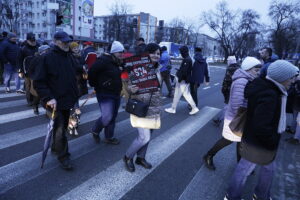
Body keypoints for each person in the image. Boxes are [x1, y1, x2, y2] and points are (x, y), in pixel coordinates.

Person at [224, 60, 299, 200]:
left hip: (257, 139)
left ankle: (260, 195)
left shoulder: (273, 89)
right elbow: (261, 125)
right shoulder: (270, 94)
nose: (293, 81)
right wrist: (271, 141)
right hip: (258, 142)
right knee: (244, 170)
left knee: (267, 169)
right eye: (291, 77)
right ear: (281, 78)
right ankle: (233, 196)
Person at [203, 57, 261, 170]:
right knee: (228, 140)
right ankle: (209, 155)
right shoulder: (242, 81)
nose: (258, 73)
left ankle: (240, 164)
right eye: (256, 70)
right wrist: (242, 119)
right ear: (248, 69)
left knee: (241, 142)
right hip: (236, 118)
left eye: (258, 70)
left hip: (241, 117)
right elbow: (236, 105)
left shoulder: (248, 79)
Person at [33, 31, 78, 170]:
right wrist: (48, 98)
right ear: (56, 41)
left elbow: (72, 76)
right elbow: (39, 82)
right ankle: (64, 156)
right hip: (54, 102)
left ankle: (55, 147)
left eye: (68, 41)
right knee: (60, 130)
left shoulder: (69, 57)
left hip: (67, 100)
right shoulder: (46, 58)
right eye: (63, 41)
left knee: (63, 127)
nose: (66, 43)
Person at [123, 43, 162, 172]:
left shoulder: (158, 68)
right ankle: (128, 157)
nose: (156, 55)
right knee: (144, 137)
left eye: (158, 53)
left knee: (149, 135)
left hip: (153, 107)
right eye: (153, 53)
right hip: (140, 106)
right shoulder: (137, 68)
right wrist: (130, 89)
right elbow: (127, 87)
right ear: (146, 54)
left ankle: (140, 158)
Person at [88, 41, 124, 145]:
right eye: (119, 52)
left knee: (112, 116)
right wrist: (97, 85)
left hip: (116, 92)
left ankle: (109, 137)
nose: (121, 54)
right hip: (104, 93)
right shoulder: (103, 60)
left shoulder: (117, 61)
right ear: (113, 52)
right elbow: (91, 72)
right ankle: (95, 130)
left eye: (122, 52)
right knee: (107, 116)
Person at [165, 46, 199, 115]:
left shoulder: (187, 59)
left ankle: (194, 108)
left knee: (186, 94)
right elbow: (184, 70)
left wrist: (180, 79)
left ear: (184, 52)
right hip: (182, 79)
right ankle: (173, 108)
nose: (180, 53)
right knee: (177, 94)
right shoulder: (187, 59)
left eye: (181, 52)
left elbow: (185, 72)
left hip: (183, 80)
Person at [213, 56, 240, 126]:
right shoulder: (239, 68)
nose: (227, 62)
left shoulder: (230, 69)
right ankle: (221, 119)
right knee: (228, 107)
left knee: (227, 107)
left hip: (229, 91)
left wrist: (224, 90)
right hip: (234, 90)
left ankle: (222, 121)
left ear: (231, 61)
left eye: (228, 60)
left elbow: (227, 81)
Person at [28, 45, 50, 115]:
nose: (49, 52)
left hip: (47, 80)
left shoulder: (49, 58)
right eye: (47, 50)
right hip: (37, 80)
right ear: (42, 51)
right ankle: (35, 107)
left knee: (48, 96)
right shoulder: (35, 59)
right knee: (37, 96)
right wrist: (33, 78)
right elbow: (30, 70)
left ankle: (48, 111)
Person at [18, 32, 39, 106]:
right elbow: (20, 61)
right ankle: (30, 101)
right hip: (27, 71)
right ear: (27, 40)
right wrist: (21, 71)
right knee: (28, 86)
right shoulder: (23, 49)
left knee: (35, 86)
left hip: (37, 70)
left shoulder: (38, 47)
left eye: (34, 40)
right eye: (31, 40)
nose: (33, 42)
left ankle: (35, 99)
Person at [70, 41, 88, 115]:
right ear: (71, 49)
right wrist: (82, 67)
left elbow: (84, 62)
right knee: (76, 93)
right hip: (75, 77)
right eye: (74, 48)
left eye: (77, 47)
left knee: (79, 93)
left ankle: (73, 105)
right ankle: (76, 108)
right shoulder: (70, 56)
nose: (76, 49)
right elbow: (73, 66)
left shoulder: (81, 54)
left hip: (82, 77)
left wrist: (85, 66)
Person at [285, 75, 300, 144]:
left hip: (297, 103)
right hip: (297, 103)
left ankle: (296, 136)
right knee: (297, 119)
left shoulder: (298, 81)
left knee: (297, 119)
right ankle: (295, 134)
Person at [120, 44, 133, 108]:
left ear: (124, 49)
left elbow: (121, 65)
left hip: (124, 75)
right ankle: (119, 96)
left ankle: (128, 104)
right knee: (126, 88)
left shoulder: (122, 56)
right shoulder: (132, 55)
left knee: (126, 90)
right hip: (130, 75)